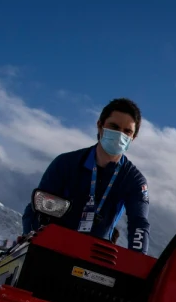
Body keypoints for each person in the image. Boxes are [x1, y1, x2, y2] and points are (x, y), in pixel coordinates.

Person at [22, 98, 150, 253]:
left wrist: (137, 261)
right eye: (114, 127)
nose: (119, 135)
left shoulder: (134, 180)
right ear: (100, 125)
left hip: (95, 257)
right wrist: (32, 241)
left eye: (127, 131)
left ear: (133, 138)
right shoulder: (66, 163)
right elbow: (36, 208)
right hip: (53, 249)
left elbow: (139, 224)